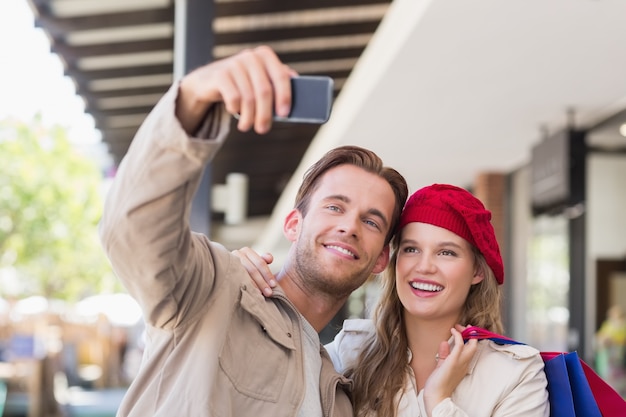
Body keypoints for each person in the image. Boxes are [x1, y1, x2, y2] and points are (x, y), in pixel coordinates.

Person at [98, 45, 409, 417]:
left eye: (371, 221)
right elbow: (133, 229)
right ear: (293, 225)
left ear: (381, 260)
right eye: (334, 206)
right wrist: (194, 98)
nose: (349, 226)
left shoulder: (340, 395)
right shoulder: (214, 290)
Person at [239, 183, 550, 416]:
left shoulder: (517, 373)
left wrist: (439, 401)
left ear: (477, 272)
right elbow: (260, 382)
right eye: (411, 249)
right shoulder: (349, 354)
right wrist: (238, 283)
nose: (424, 266)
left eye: (446, 252)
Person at [595, 305, 626, 396]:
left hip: (619, 359)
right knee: (610, 381)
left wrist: (612, 340)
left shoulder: (623, 326)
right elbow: (600, 337)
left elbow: (621, 339)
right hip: (608, 360)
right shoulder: (608, 325)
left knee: (619, 383)